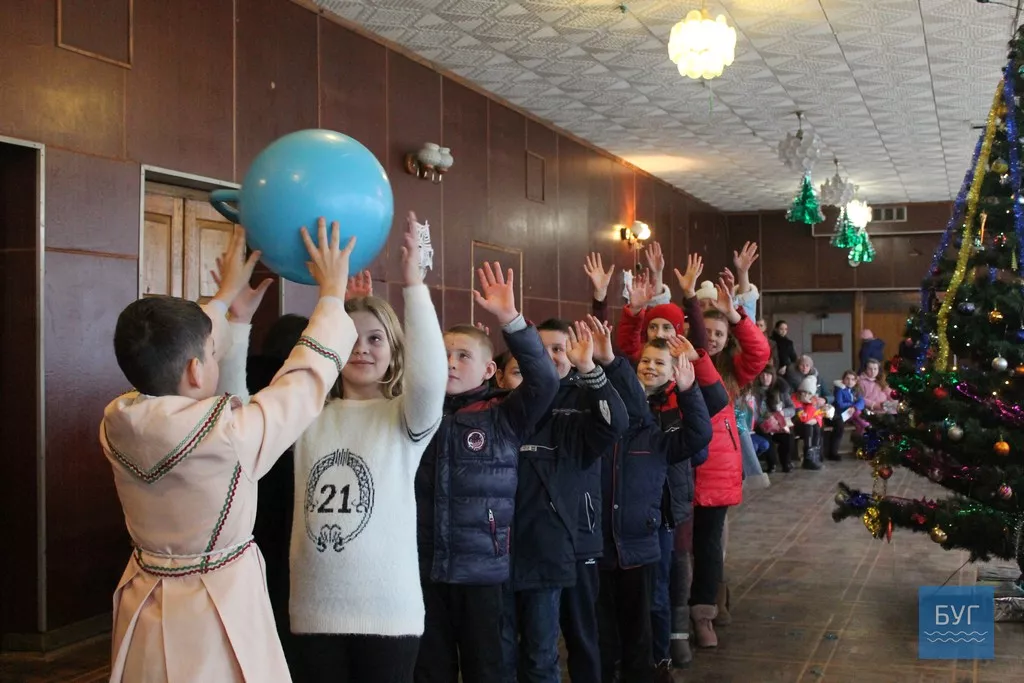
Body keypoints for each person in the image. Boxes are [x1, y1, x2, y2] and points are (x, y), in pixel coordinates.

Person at [101, 220, 357, 682]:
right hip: (215, 606)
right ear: (197, 371)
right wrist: (332, 296)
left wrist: (228, 307)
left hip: (147, 595)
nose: (216, 356)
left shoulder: (116, 420)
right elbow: (302, 383)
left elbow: (176, 351)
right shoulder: (229, 436)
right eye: (213, 352)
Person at [289, 213, 448, 683]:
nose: (361, 348)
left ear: (394, 351)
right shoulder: (306, 412)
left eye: (375, 338)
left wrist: (413, 285)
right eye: (351, 339)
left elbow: (430, 380)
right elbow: (240, 411)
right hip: (313, 612)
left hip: (389, 616)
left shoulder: (404, 417)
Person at [414, 262, 560, 683]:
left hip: (482, 574)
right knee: (430, 671)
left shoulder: (503, 416)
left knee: (489, 669)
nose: (451, 363)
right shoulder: (416, 413)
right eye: (444, 355)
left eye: (464, 356)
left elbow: (545, 382)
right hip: (423, 570)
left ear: (488, 370)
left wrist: (511, 320)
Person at [498, 320, 628, 683]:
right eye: (539, 350)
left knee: (560, 643)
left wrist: (590, 368)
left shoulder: (578, 405)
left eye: (558, 349)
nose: (549, 357)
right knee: (504, 650)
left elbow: (618, 422)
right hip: (501, 549)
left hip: (562, 542)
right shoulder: (498, 412)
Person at [596, 330, 714, 683]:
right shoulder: (607, 422)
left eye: (658, 362)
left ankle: (658, 660)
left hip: (651, 526)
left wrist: (689, 390)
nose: (649, 366)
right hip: (604, 533)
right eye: (644, 360)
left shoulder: (664, 423)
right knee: (606, 615)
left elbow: (699, 439)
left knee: (651, 601)